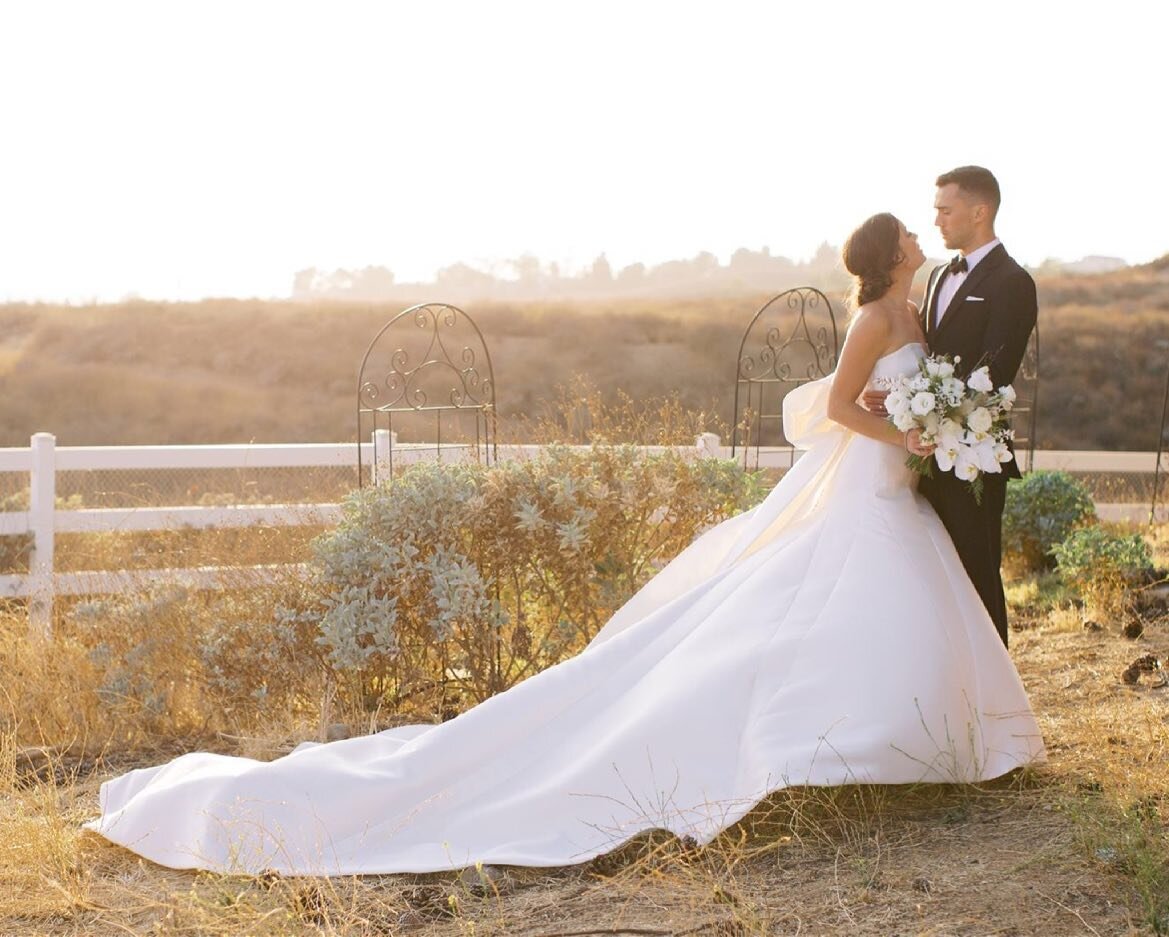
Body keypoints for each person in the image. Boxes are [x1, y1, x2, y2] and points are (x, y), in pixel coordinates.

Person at [85, 214, 1045, 877]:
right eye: (913, 230)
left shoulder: (916, 312)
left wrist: (908, 415)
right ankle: (820, 749)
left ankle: (912, 751)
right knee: (805, 614)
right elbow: (837, 407)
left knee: (876, 615)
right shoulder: (877, 314)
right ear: (888, 256)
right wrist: (902, 431)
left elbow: (878, 394)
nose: (926, 233)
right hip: (867, 488)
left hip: (895, 486)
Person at [866, 167, 1038, 647]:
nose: (936, 219)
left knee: (977, 578)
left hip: (973, 457)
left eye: (946, 209)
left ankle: (994, 702)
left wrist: (915, 411)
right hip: (920, 459)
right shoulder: (940, 274)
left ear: (979, 211)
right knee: (931, 582)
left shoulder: (1013, 282)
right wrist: (896, 398)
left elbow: (993, 375)